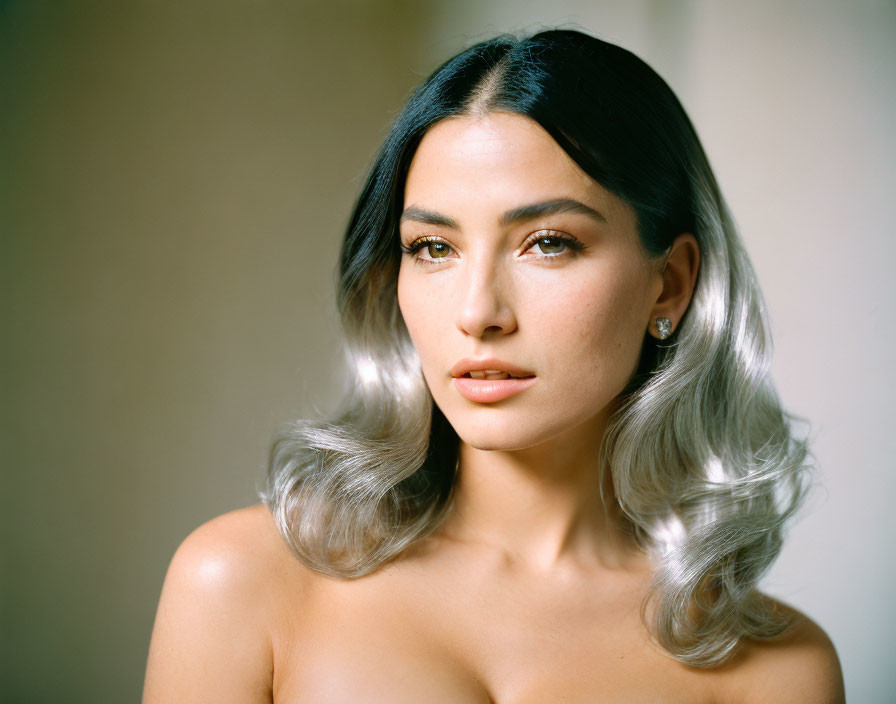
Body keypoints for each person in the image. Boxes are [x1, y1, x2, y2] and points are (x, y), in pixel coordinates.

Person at [143, 29, 844, 702]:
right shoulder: (239, 581)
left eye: (548, 242)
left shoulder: (777, 672)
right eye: (432, 248)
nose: (478, 312)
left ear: (671, 283)